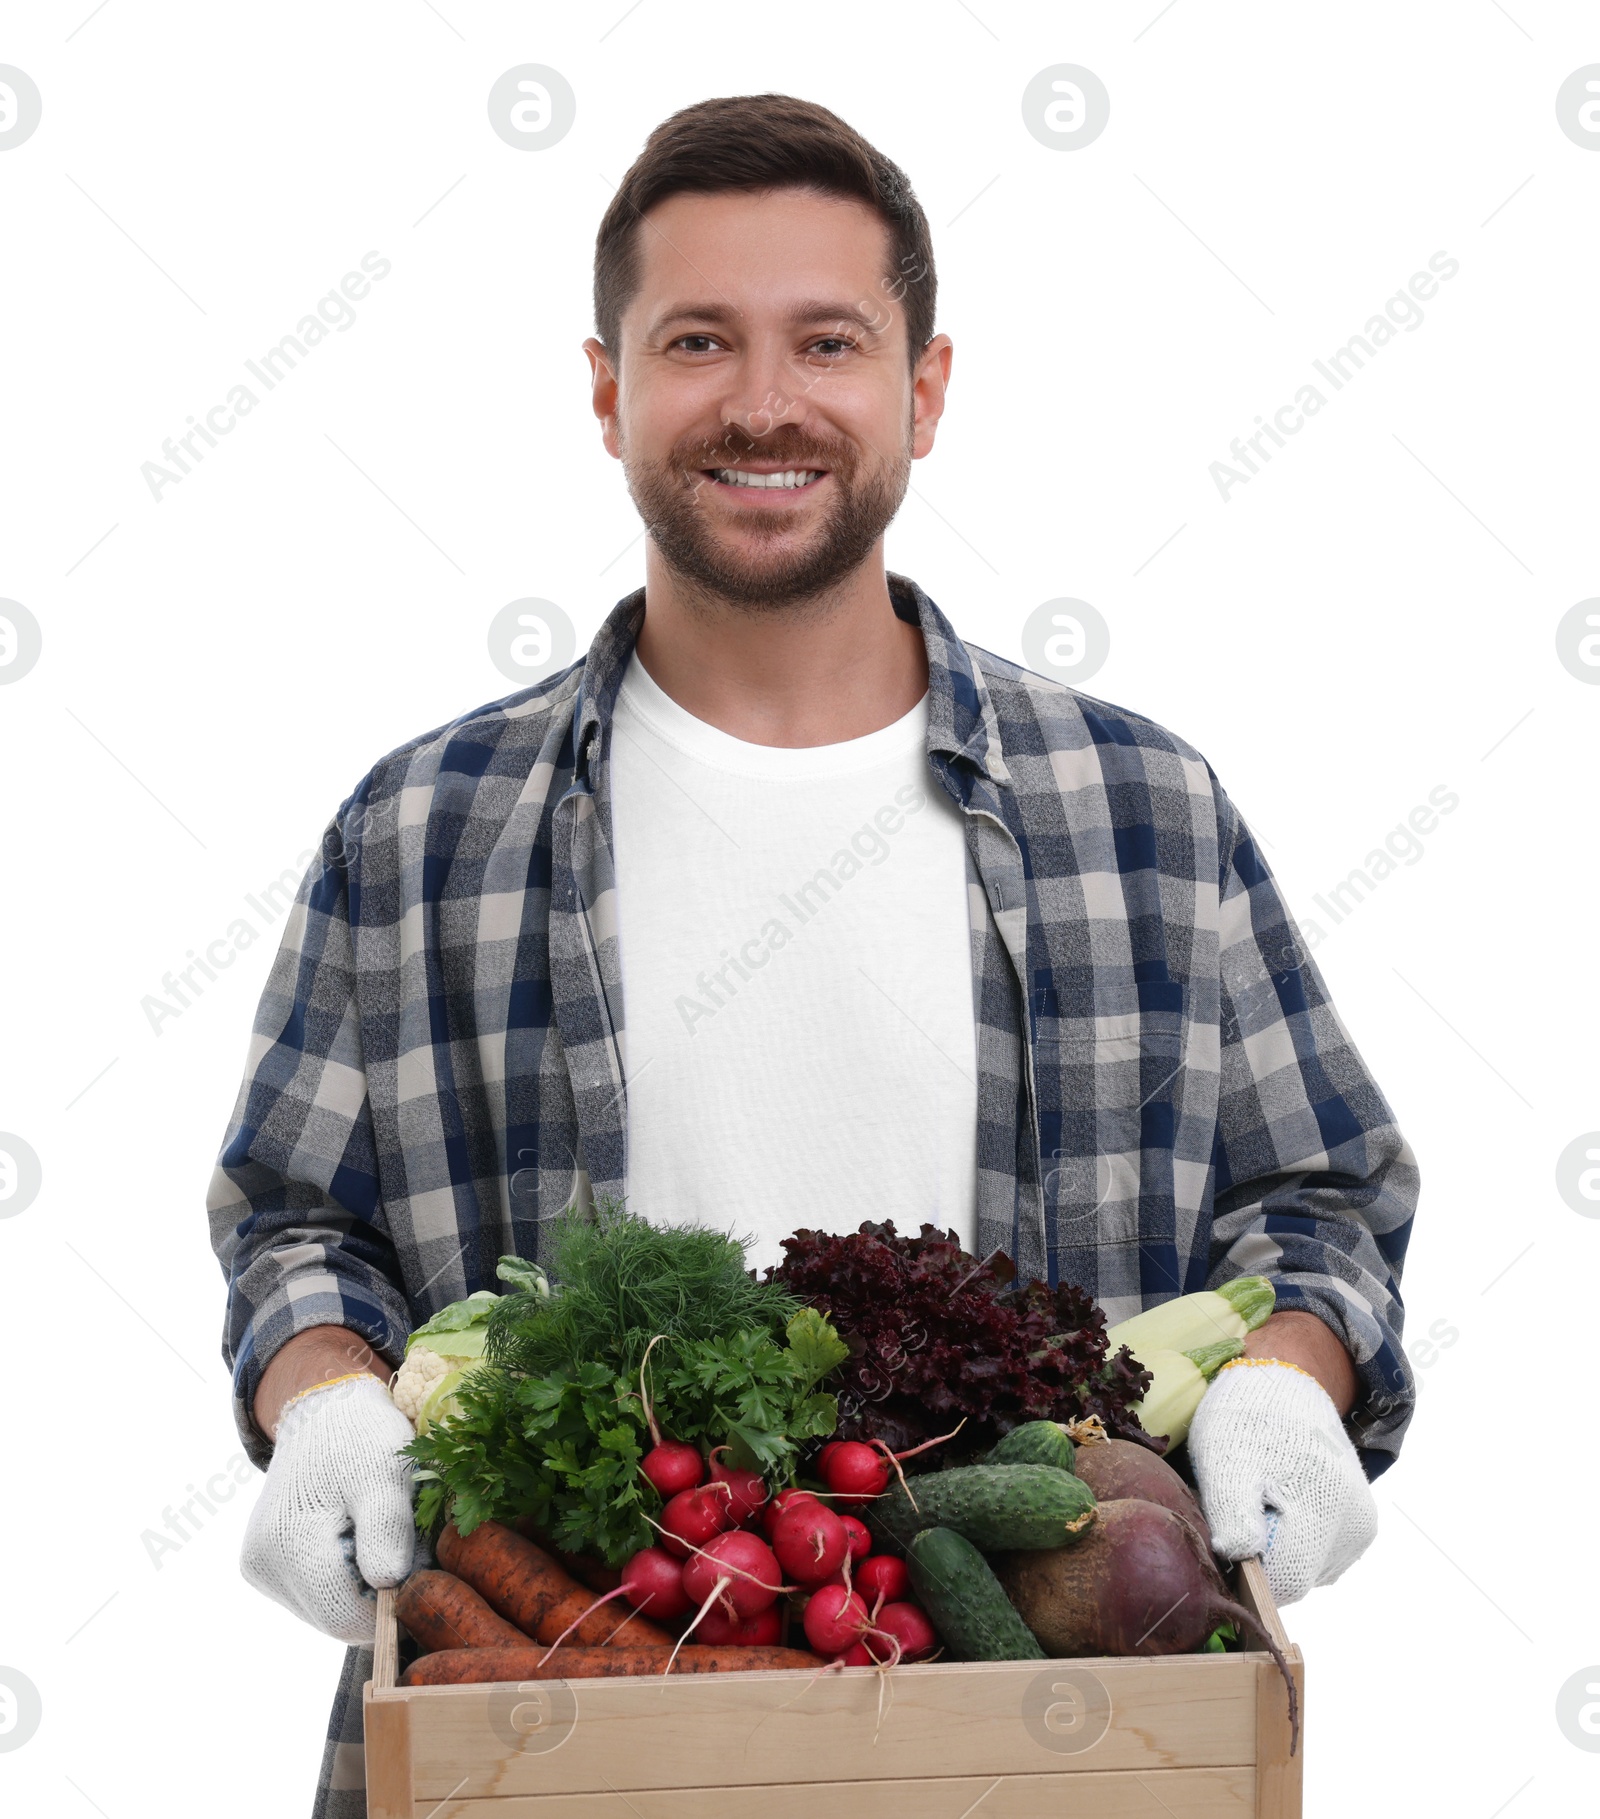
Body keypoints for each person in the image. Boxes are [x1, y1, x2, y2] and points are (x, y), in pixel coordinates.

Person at [208, 94, 1418, 1818]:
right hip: (546, 1723)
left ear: (922, 390)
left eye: (827, 342)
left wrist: (1290, 1385)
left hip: (1060, 1745)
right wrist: (321, 1397)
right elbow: (296, 1218)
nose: (762, 402)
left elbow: (1320, 1198)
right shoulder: (426, 827)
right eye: (698, 340)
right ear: (610, 389)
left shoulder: (1139, 808)